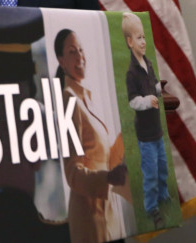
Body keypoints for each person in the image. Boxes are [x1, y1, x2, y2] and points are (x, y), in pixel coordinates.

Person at [55, 29, 128, 243]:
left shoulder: (87, 98)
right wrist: (108, 178)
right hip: (90, 222)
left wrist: (130, 130)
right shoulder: (68, 101)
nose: (80, 56)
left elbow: (107, 160)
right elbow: (72, 174)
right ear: (61, 61)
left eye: (81, 49)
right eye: (72, 52)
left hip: (110, 216)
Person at [123, 12, 170, 229]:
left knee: (162, 167)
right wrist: (147, 100)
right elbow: (133, 102)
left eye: (144, 37)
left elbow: (152, 89)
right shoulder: (131, 73)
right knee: (150, 172)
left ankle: (164, 194)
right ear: (129, 41)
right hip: (145, 134)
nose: (143, 41)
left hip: (157, 130)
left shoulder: (148, 64)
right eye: (138, 37)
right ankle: (151, 207)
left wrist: (159, 89)